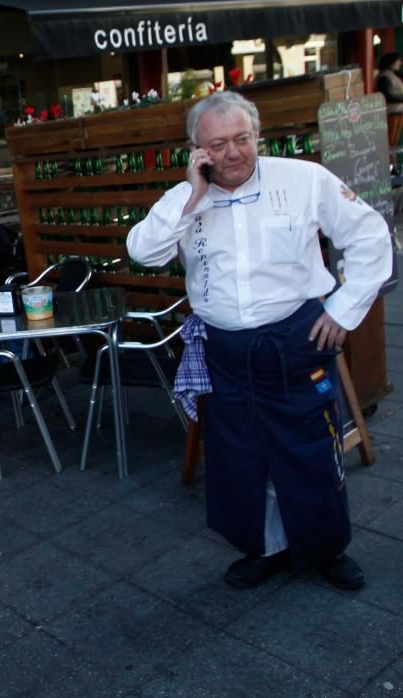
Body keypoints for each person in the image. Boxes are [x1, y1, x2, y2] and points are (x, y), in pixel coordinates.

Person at [128, 91, 391, 591]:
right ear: (197, 149)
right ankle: (264, 548)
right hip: (225, 351)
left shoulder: (303, 179)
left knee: (311, 448)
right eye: (218, 144)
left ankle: (325, 548)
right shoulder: (187, 197)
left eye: (242, 139)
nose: (233, 154)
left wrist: (344, 307)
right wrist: (191, 197)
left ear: (257, 135)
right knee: (239, 456)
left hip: (296, 340)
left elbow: (370, 234)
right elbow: (144, 252)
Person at [375, 52, 403, 150]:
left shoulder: (392, 74)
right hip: (391, 112)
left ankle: (393, 161)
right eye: (398, 61)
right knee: (390, 142)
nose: (400, 63)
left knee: (394, 142)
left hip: (397, 112)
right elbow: (388, 95)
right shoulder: (384, 76)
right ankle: (390, 162)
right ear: (391, 62)